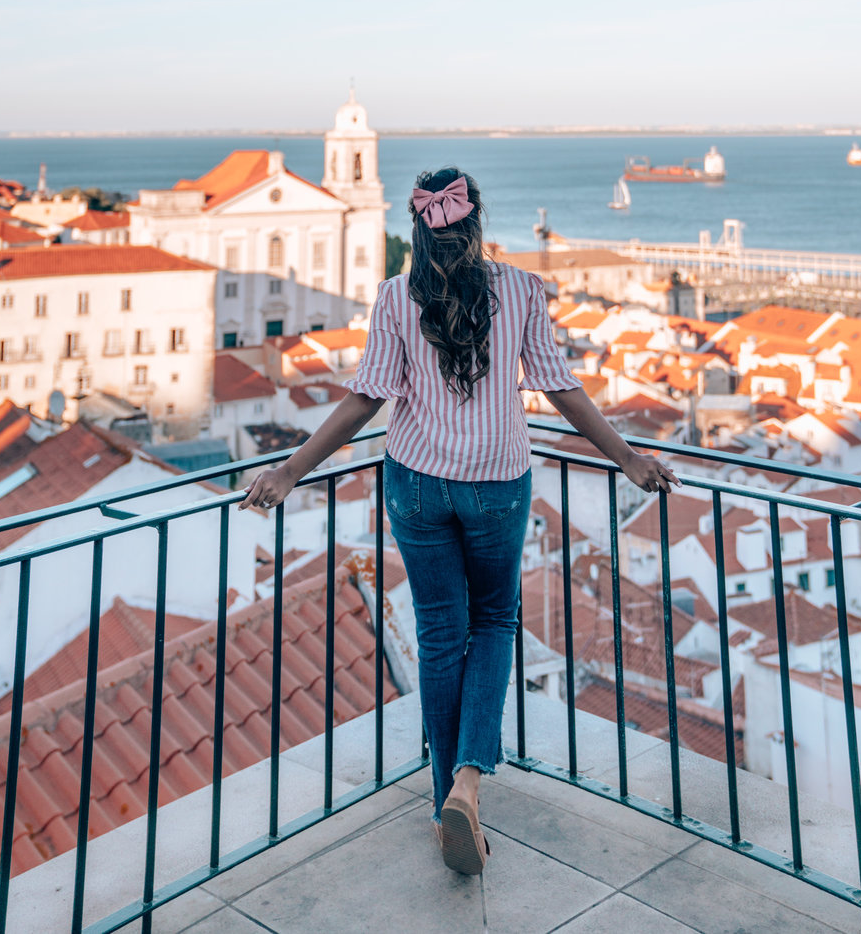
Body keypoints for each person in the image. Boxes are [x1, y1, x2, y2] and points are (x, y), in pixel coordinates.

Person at [239, 167, 678, 875]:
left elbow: (364, 399)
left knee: (440, 637)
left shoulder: (394, 296)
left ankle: (446, 796)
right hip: (497, 485)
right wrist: (626, 458)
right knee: (495, 623)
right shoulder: (522, 290)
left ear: (418, 226)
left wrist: (290, 471)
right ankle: (468, 784)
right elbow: (561, 389)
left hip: (416, 484)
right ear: (476, 220)